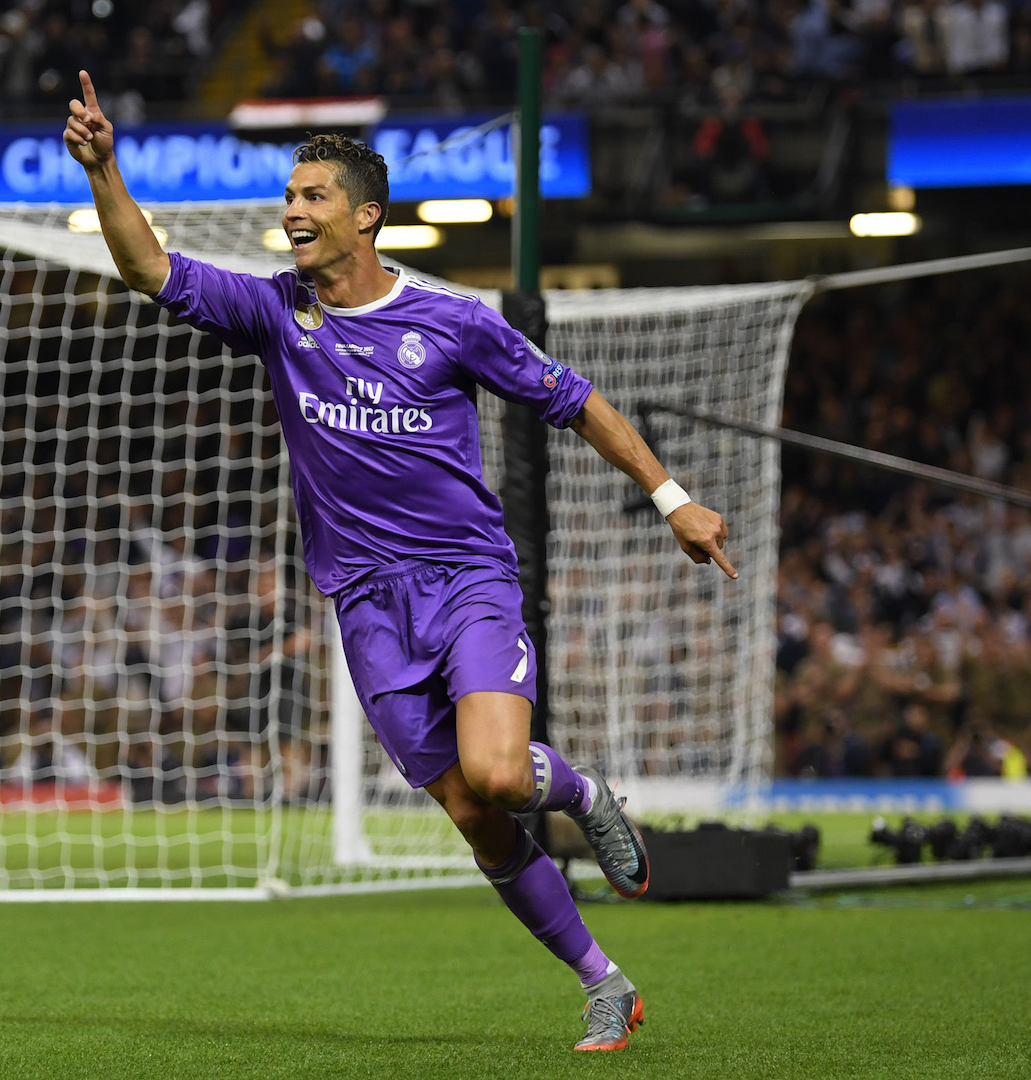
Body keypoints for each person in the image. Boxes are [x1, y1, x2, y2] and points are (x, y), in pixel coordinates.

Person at [64, 69, 737, 1052]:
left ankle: (582, 793)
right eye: (290, 197)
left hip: (467, 578)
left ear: (365, 216)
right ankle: (604, 982)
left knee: (501, 774)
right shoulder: (272, 315)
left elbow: (576, 399)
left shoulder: (452, 323)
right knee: (474, 813)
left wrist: (673, 500)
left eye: (312, 197)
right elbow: (148, 269)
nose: (292, 212)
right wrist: (105, 171)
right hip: (366, 604)